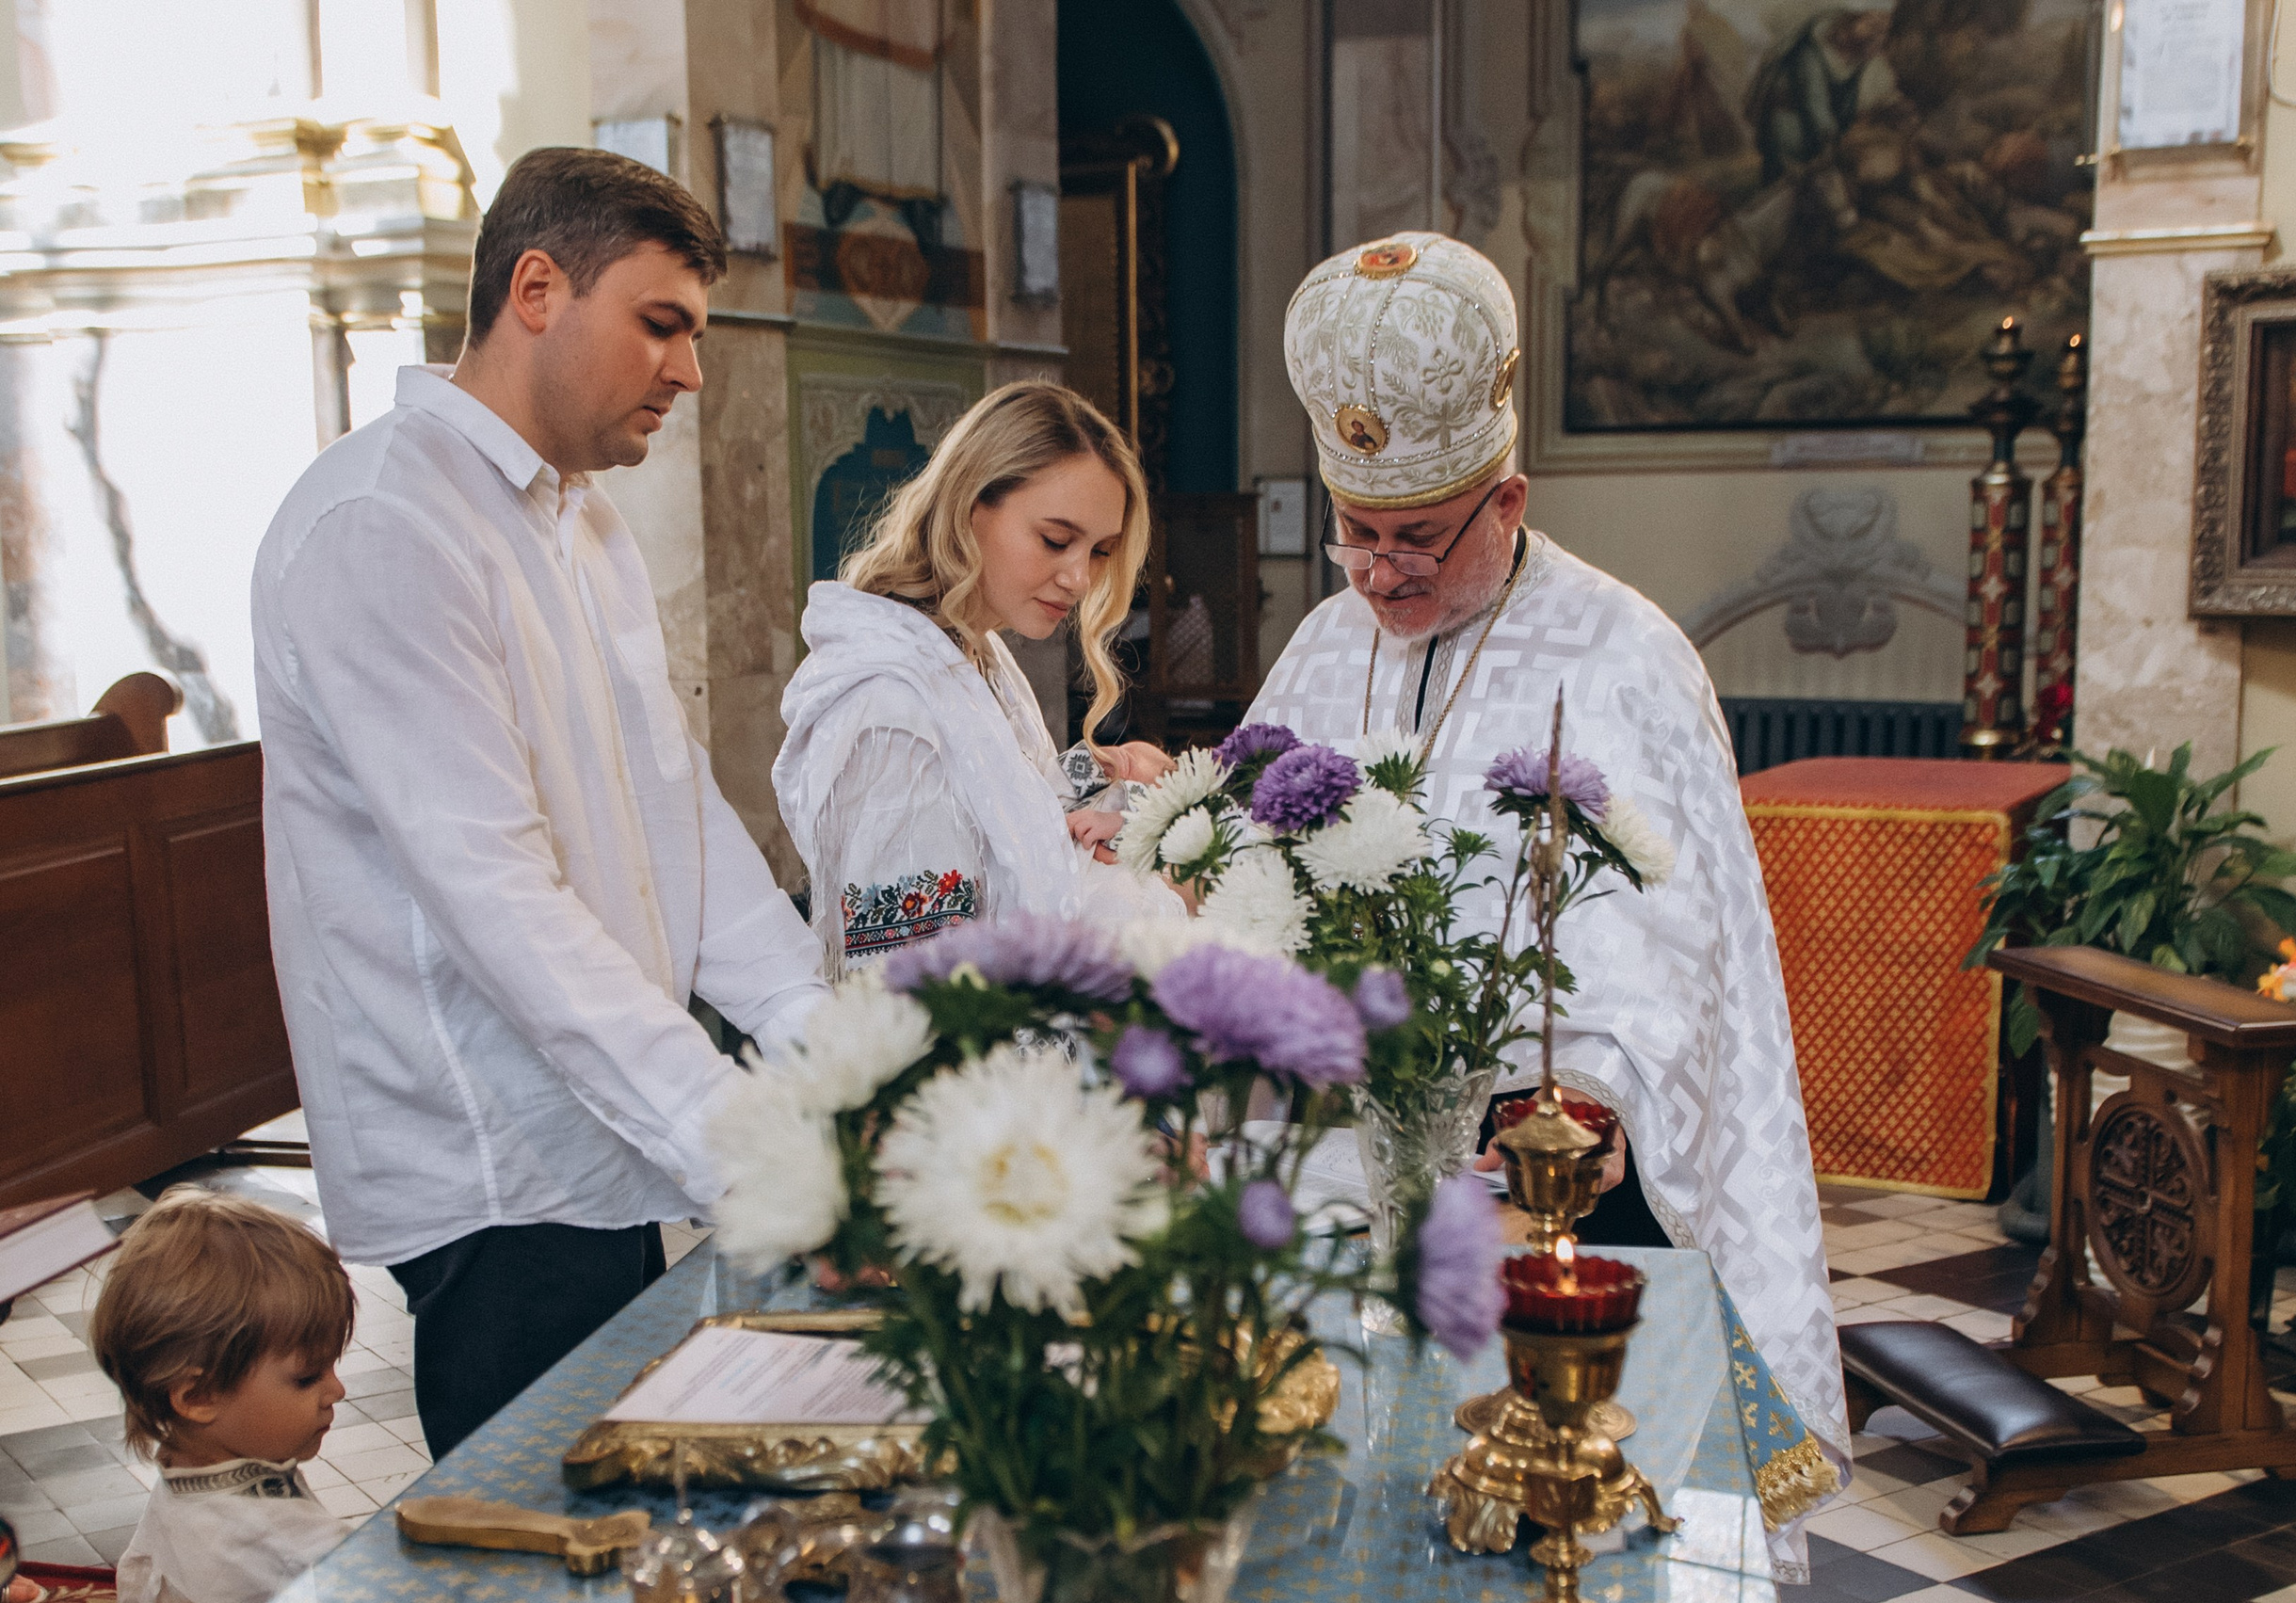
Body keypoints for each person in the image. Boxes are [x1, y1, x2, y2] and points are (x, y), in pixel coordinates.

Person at [1251, 232, 1844, 1569]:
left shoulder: (1623, 651)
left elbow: (1663, 933)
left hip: (1554, 1180)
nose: (1379, 571)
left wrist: (1560, 1106)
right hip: (1361, 1152)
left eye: (1415, 535)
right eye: (1356, 532)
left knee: (1557, 1532)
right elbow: (1256, 856)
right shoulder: (1327, 635)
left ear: (1505, 498)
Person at [251, 148, 829, 1463]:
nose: (689, 371)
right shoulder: (383, 525)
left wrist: (828, 1045)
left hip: (603, 1118)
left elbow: (683, 822)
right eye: (661, 324)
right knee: (542, 1534)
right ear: (535, 287)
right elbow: (495, 897)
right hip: (491, 1157)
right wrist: (740, 1138)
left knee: (639, 1489)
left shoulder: (587, 528)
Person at [773, 381, 1184, 973]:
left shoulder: (979, 651)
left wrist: (1113, 785)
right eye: (1056, 540)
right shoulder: (890, 706)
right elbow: (915, 986)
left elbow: (1011, 826)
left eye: (1099, 551)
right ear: (971, 507)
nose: (1080, 579)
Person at [91, 1192, 356, 1603]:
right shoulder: (279, 1533)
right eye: (306, 1378)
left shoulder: (182, 1479)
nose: (336, 1391)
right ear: (198, 1396)